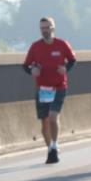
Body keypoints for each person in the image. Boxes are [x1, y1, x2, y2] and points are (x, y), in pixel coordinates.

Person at [22, 16, 77, 164]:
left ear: (53, 28)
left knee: (53, 117)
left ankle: (54, 144)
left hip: (59, 86)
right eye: (42, 28)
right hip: (42, 89)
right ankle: (50, 148)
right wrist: (32, 70)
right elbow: (25, 65)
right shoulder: (35, 47)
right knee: (45, 123)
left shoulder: (62, 44)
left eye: (47, 28)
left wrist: (65, 68)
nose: (44, 31)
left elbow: (72, 60)